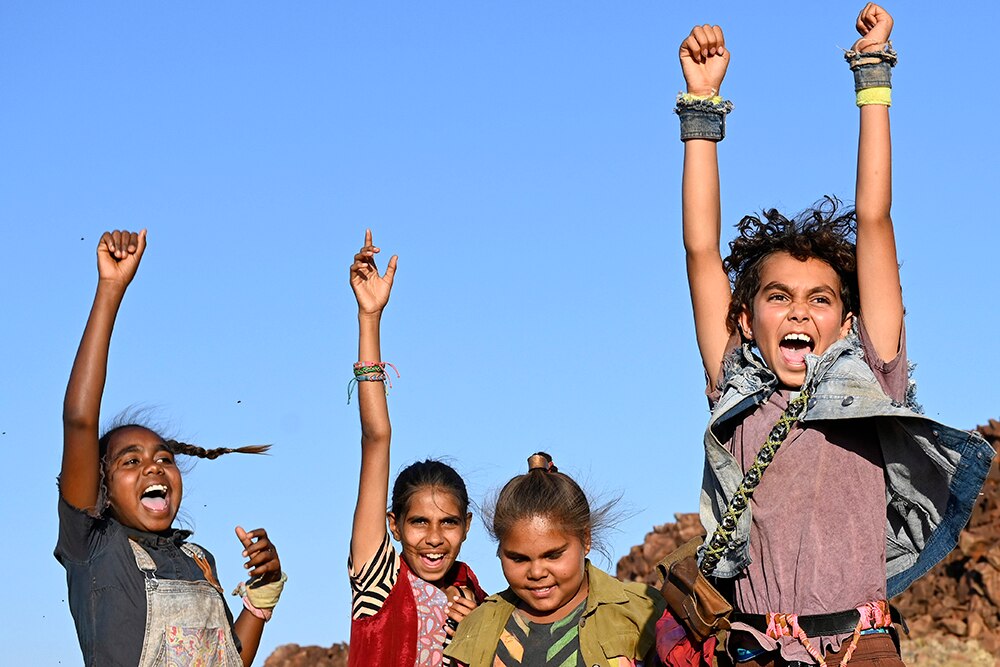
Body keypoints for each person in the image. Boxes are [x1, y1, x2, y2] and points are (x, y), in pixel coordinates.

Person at [673, 5, 994, 666]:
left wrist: (873, 76)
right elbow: (701, 250)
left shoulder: (866, 379)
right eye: (778, 298)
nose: (798, 313)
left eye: (820, 300)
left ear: (847, 324)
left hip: (860, 646)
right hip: (753, 648)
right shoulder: (736, 384)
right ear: (745, 319)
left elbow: (874, 217)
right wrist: (701, 112)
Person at [56, 229, 286, 667]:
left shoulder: (200, 561)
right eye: (131, 461)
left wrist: (263, 591)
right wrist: (110, 290)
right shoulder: (94, 547)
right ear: (100, 488)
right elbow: (80, 421)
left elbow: (230, 660)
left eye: (164, 458)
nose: (154, 468)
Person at [348, 230, 486, 667]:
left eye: (448, 523)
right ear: (393, 524)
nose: (433, 538)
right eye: (419, 521)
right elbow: (377, 438)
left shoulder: (480, 600)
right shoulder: (380, 583)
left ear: (466, 526)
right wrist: (370, 319)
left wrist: (481, 633)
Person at [446, 452, 667, 666]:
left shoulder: (643, 612)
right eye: (518, 559)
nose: (537, 572)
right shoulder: (479, 627)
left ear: (585, 540)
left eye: (552, 555)